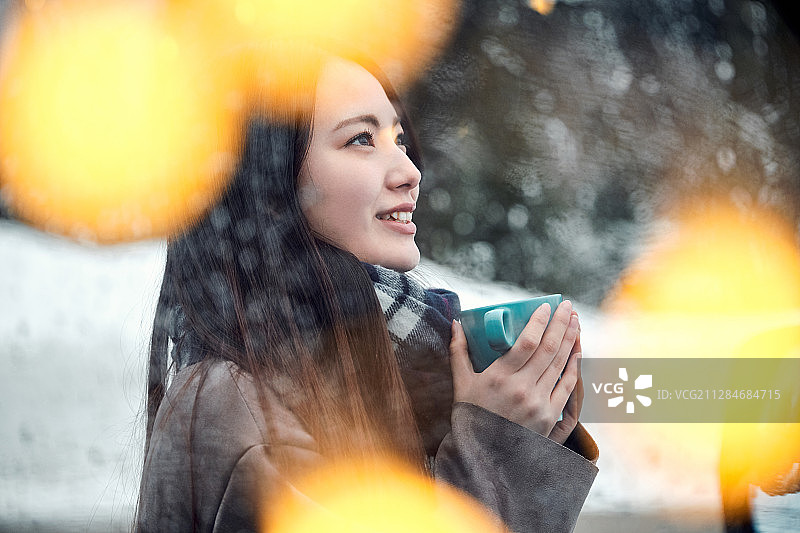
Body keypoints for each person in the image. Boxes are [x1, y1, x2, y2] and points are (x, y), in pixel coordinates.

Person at [136, 51, 598, 533]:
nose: (409, 171)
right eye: (361, 139)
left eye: (397, 139)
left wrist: (523, 435)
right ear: (269, 183)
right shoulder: (233, 403)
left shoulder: (386, 369)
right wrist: (498, 451)